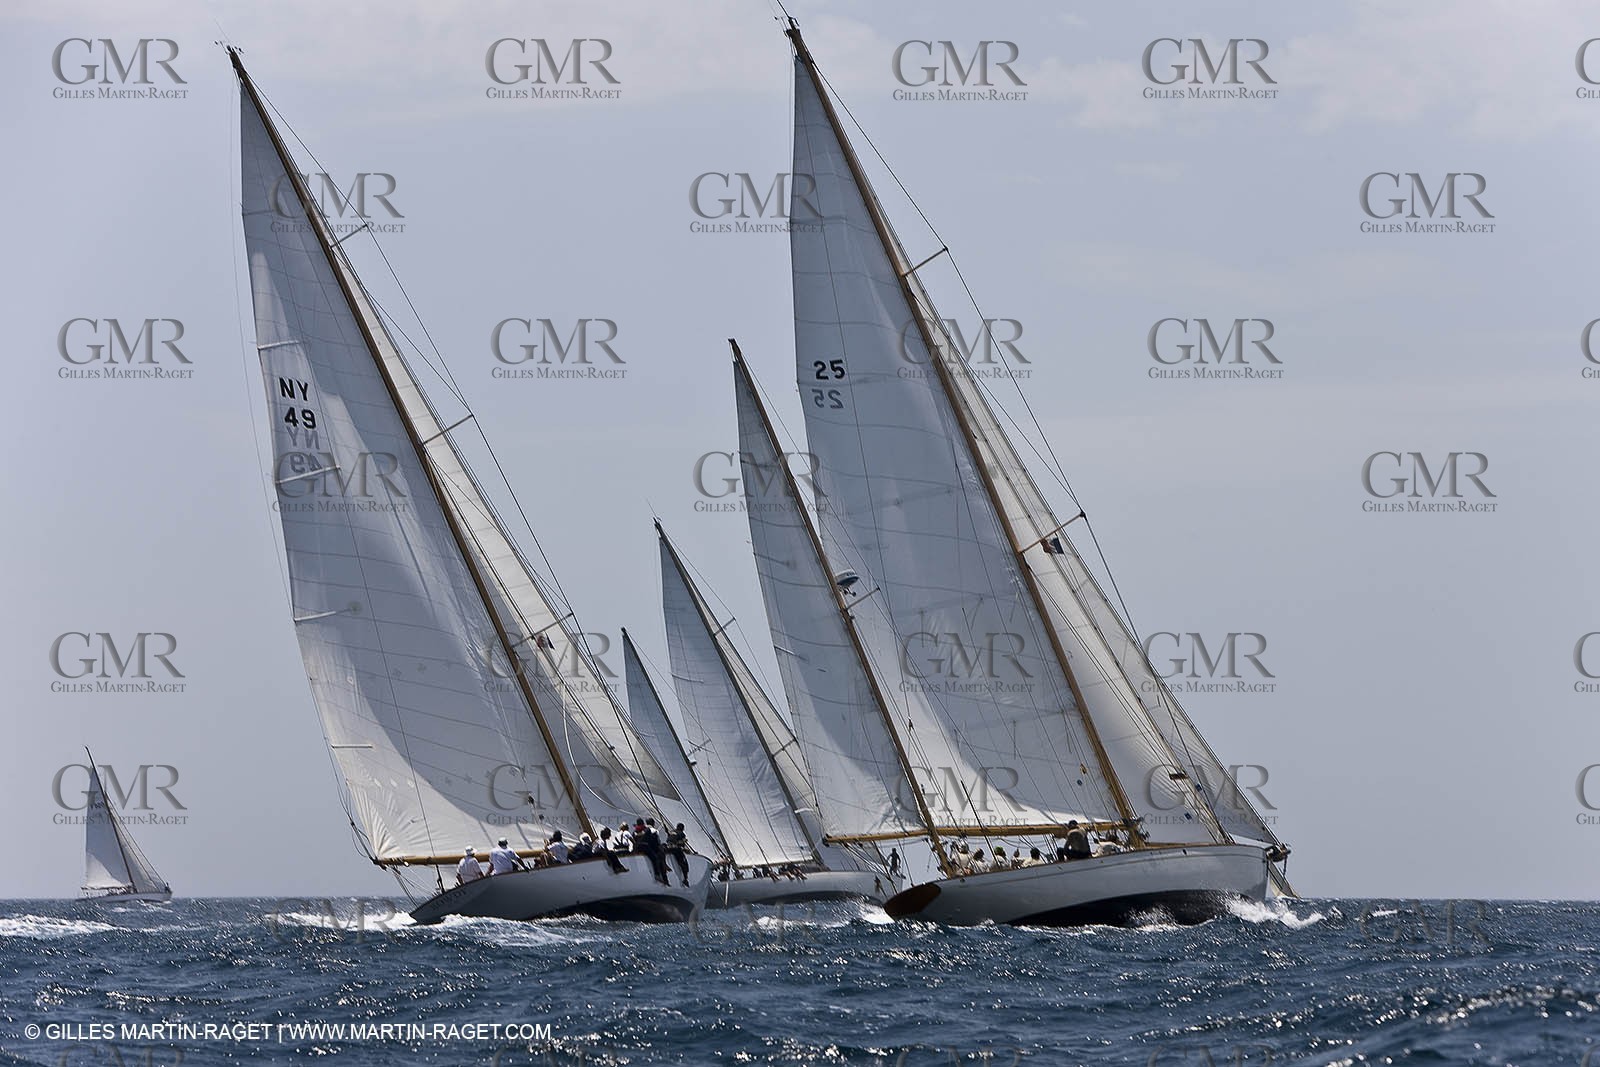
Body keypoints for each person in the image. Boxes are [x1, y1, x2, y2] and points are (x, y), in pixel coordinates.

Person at [636, 818, 669, 885]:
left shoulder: (636, 830)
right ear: (653, 823)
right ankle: (660, 876)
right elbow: (656, 841)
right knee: (657, 859)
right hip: (649, 848)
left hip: (638, 848)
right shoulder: (651, 830)